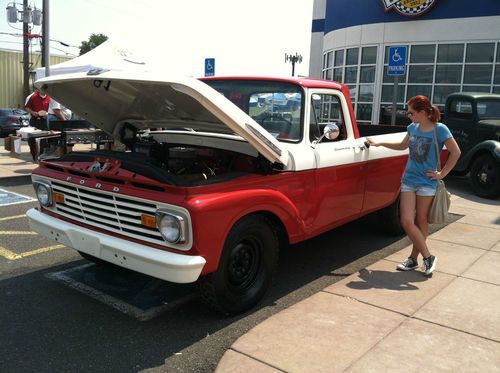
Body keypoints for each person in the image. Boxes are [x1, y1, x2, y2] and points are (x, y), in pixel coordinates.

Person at [366, 95, 461, 276]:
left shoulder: (439, 129)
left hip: (427, 182)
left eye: (411, 113)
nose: (408, 116)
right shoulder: (412, 128)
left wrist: (442, 174)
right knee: (406, 221)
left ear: (423, 113)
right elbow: (402, 146)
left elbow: (455, 152)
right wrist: (379, 142)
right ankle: (428, 256)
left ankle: (413, 259)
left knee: (421, 220)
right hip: (409, 180)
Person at [25, 89, 51, 161]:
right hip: (34, 120)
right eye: (42, 89)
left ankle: (41, 155)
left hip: (44, 120)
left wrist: (47, 114)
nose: (44, 91)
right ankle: (33, 153)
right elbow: (27, 108)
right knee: (32, 138)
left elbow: (52, 109)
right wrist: (33, 112)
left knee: (44, 138)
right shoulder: (33, 97)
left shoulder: (49, 98)